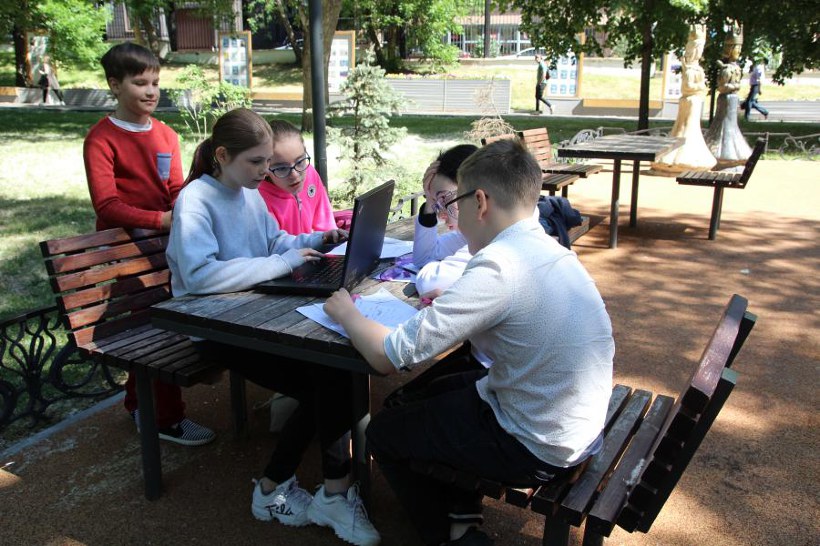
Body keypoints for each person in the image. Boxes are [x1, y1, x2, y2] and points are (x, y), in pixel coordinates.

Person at [324, 139, 615, 546]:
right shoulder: (547, 248)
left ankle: (444, 538)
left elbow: (387, 356)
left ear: (479, 201)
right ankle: (459, 511)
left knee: (384, 432)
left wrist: (346, 314)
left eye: (456, 203)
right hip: (571, 423)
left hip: (537, 444)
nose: (454, 220)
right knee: (421, 400)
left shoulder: (499, 266)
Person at [166, 107, 380, 546]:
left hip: (250, 315)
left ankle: (307, 490)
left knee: (336, 371)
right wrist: (281, 261)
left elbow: (274, 242)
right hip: (213, 328)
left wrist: (314, 240)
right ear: (222, 156)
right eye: (257, 161)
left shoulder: (247, 194)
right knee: (329, 379)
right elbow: (199, 276)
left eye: (268, 161)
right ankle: (286, 490)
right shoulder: (196, 201)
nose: (265, 171)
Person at [83, 42, 215, 446]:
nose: (151, 91)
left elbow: (174, 189)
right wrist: (160, 220)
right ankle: (166, 419)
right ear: (115, 84)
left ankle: (137, 404)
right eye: (140, 83)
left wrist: (187, 212)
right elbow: (107, 205)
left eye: (156, 82)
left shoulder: (165, 134)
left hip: (163, 246)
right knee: (156, 328)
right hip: (124, 250)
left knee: (163, 320)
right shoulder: (101, 139)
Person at [412, 144, 478, 299]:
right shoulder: (468, 234)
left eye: (444, 199)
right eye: (437, 204)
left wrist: (436, 267)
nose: (441, 215)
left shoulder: (491, 238)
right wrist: (430, 201)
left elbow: (430, 284)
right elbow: (423, 258)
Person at [258, 119, 339, 234]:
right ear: (265, 168)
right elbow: (275, 244)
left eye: (300, 161)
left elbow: (326, 225)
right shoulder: (259, 201)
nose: (295, 174)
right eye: (282, 168)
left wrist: (333, 238)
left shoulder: (310, 173)